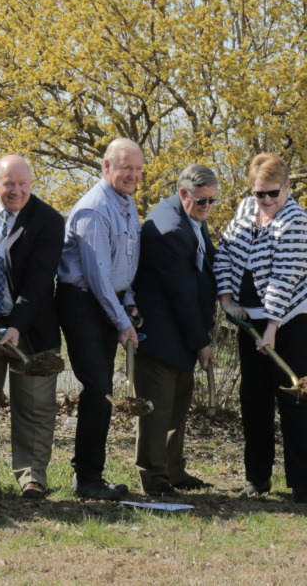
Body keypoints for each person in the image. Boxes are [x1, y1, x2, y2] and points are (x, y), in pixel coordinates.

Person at [0, 155, 64, 500]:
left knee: (35, 405)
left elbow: (38, 283)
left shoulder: (48, 220)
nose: (17, 191)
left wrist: (17, 325)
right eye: (9, 184)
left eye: (23, 184)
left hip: (31, 329)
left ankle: (32, 475)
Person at [215, 153, 307, 504]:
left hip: (290, 322)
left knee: (294, 399)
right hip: (247, 319)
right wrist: (225, 298)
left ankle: (302, 482)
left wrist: (272, 327)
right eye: (259, 194)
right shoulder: (244, 211)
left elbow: (286, 277)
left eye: (273, 193)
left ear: (287, 187)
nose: (266, 201)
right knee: (253, 400)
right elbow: (224, 254)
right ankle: (258, 477)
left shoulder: (295, 220)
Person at [56, 137, 144, 501]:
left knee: (101, 389)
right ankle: (87, 478)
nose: (133, 175)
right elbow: (97, 276)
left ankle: (91, 475)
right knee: (98, 388)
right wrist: (122, 321)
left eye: (138, 169)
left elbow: (124, 266)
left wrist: (130, 301)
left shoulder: (126, 204)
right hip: (82, 304)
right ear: (107, 167)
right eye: (126, 168)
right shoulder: (93, 209)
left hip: (108, 302)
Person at [133, 164, 218, 497]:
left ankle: (173, 470)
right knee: (157, 409)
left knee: (178, 403)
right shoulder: (170, 229)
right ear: (183, 194)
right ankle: (154, 478)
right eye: (202, 202)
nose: (207, 208)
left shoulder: (191, 218)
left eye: (213, 201)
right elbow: (182, 294)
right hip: (161, 334)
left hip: (180, 334)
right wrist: (202, 342)